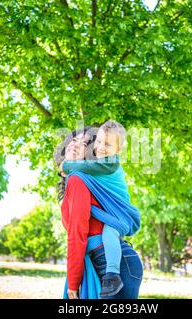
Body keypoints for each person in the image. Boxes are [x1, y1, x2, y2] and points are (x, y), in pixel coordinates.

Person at [54, 126, 143, 299]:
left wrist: (73, 282)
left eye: (85, 142)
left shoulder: (79, 179)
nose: (77, 145)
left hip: (113, 262)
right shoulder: (84, 180)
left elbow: (77, 234)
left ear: (90, 154)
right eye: (74, 140)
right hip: (104, 259)